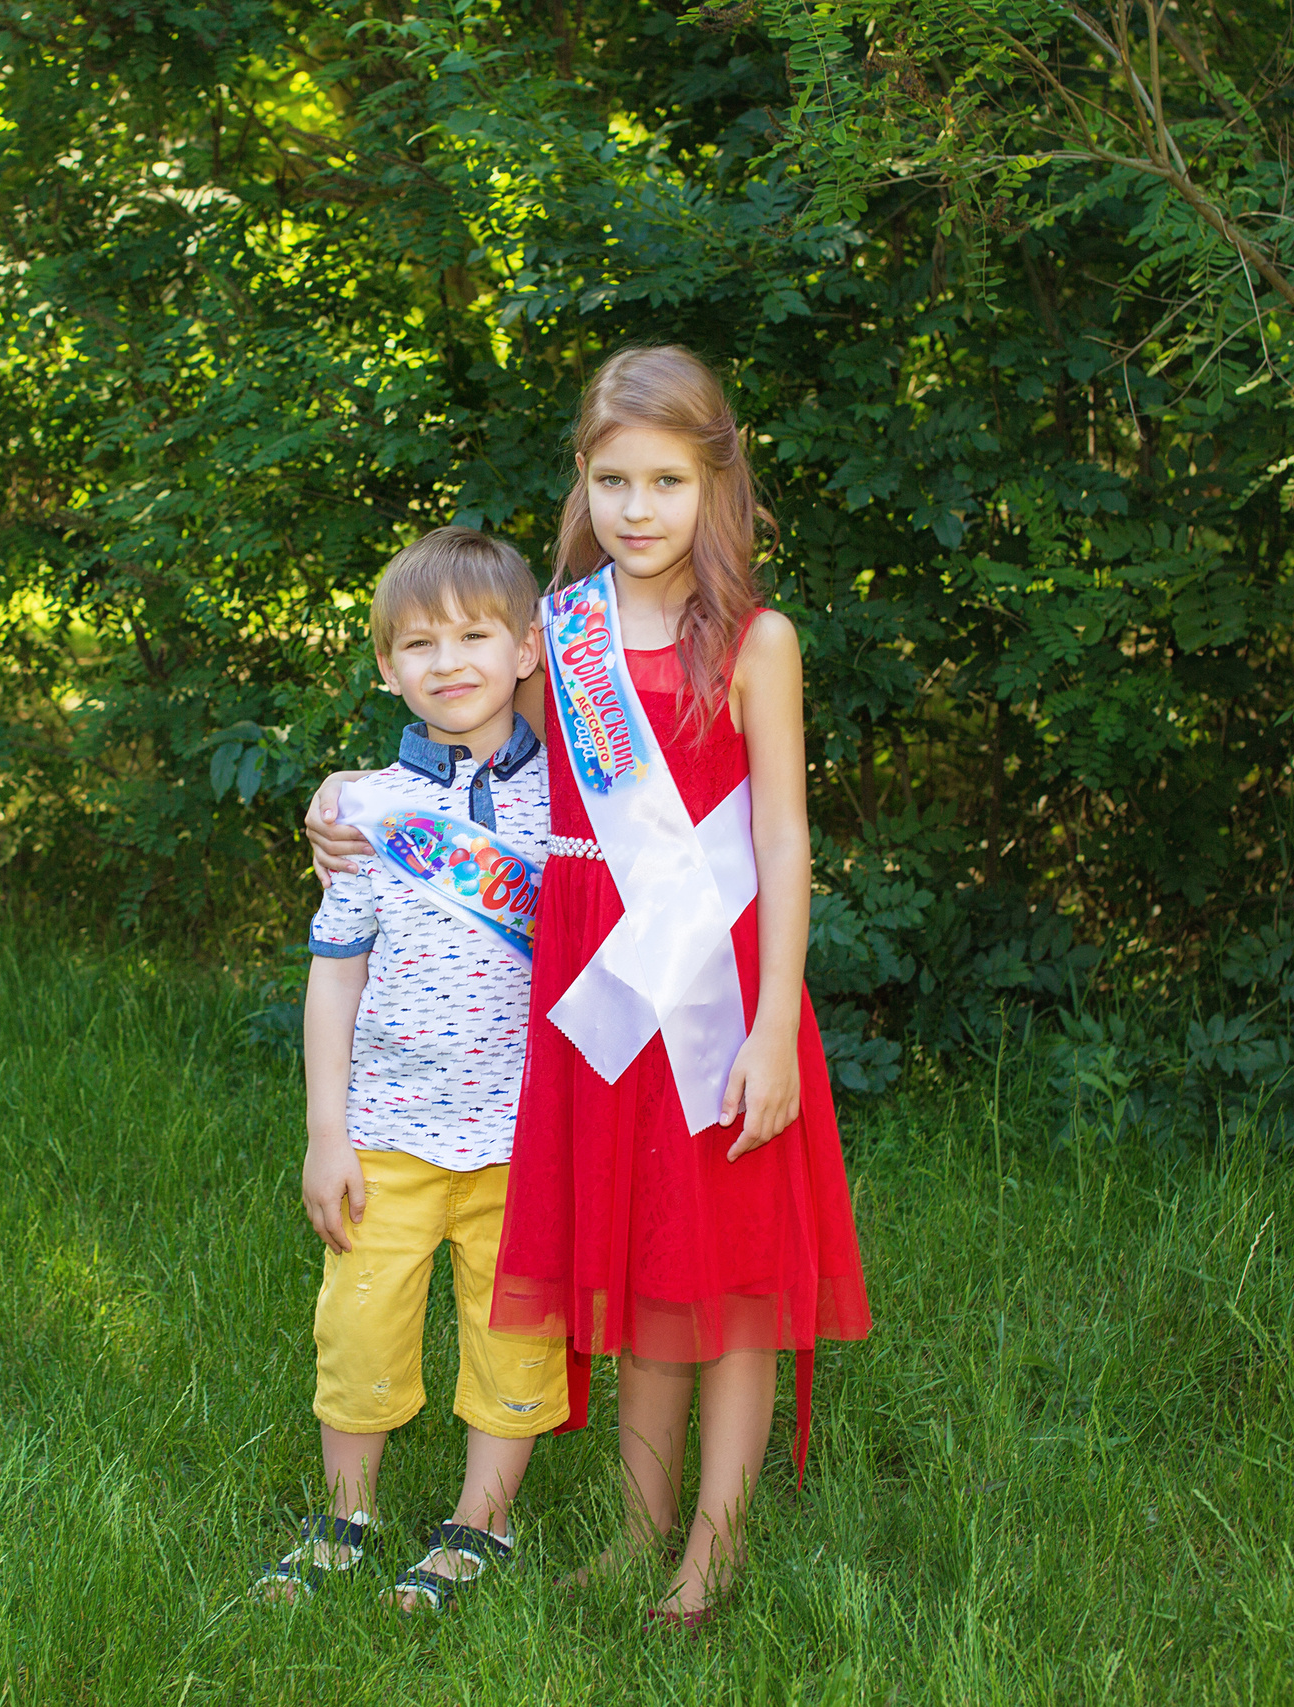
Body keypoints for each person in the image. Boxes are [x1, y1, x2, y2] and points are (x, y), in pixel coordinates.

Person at [304, 347, 869, 1631]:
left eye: (667, 479)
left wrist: (774, 1023)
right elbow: (467, 756)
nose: (637, 507)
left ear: (715, 482)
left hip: (721, 989)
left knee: (726, 1271)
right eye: (612, 479)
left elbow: (781, 838)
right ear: (581, 481)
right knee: (644, 1254)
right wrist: (333, 806)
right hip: (594, 981)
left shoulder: (758, 639)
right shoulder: (557, 629)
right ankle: (632, 1531)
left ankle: (712, 1548)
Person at [256, 525, 570, 1615]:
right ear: (386, 668)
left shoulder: (576, 807)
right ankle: (346, 1517)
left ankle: (481, 1522)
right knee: (360, 1318)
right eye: (419, 644)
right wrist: (325, 1130)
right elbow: (334, 972)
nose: (449, 662)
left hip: (528, 1135)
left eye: (475, 635)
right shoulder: (363, 811)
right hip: (388, 1126)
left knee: (514, 1329)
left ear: (527, 648)